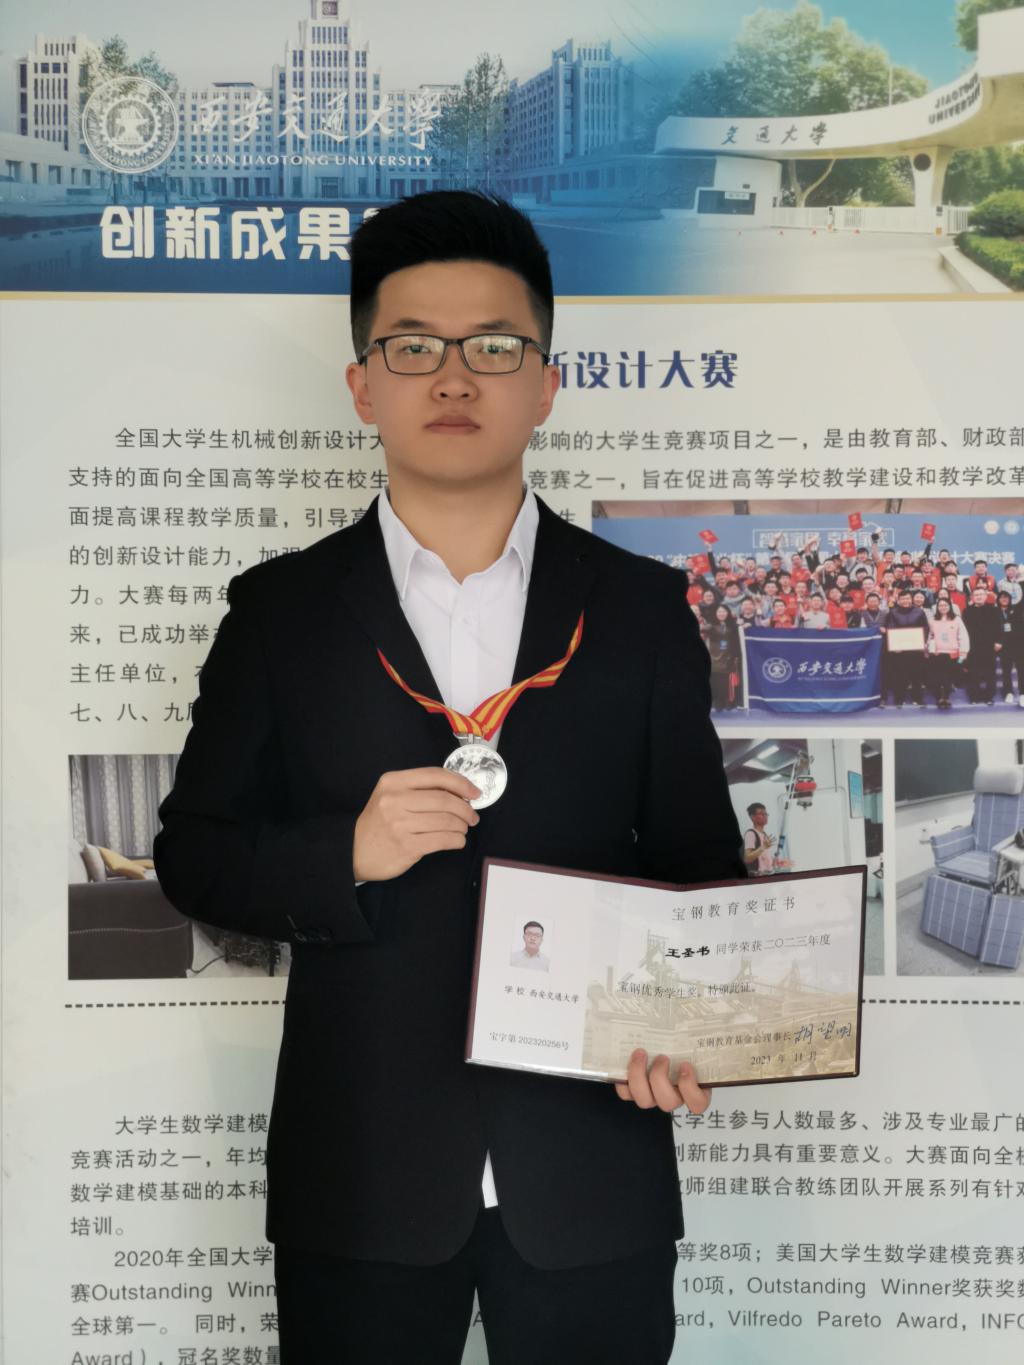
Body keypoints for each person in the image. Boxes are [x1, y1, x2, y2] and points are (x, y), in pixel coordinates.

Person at [152, 190, 746, 1365]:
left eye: (495, 347)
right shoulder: (279, 613)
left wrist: (685, 1025)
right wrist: (346, 853)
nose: (455, 377)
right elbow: (194, 854)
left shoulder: (639, 609)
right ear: (362, 385)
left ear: (547, 384)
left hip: (591, 1163)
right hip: (361, 1171)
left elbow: (696, 865)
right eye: (414, 347)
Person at [926, 597, 970, 709]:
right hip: (937, 653)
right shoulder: (932, 619)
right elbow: (930, 635)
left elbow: (962, 635)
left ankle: (946, 697)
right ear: (937, 607)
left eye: (945, 605)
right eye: (940, 605)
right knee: (937, 676)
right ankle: (939, 697)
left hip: (952, 653)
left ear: (950, 606)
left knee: (949, 677)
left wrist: (964, 650)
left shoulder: (956, 619)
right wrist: (928, 648)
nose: (943, 607)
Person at [962, 585, 1003, 705]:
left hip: (989, 646)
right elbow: (964, 630)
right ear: (972, 597)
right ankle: (974, 696)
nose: (978, 597)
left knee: (989, 672)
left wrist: (999, 641)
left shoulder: (993, 610)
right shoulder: (967, 611)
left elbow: (999, 627)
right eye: (976, 595)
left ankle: (988, 697)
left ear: (986, 596)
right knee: (973, 672)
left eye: (981, 594)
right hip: (972, 646)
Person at [742, 802, 791, 876]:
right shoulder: (751, 834)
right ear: (752, 817)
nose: (765, 816)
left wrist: (776, 861)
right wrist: (763, 847)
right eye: (761, 814)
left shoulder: (764, 834)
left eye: (766, 813)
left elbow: (764, 859)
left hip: (769, 875)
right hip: (760, 877)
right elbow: (747, 858)